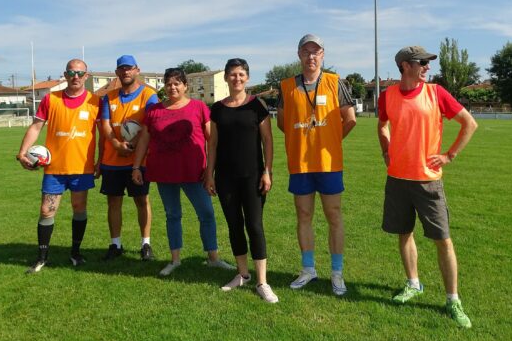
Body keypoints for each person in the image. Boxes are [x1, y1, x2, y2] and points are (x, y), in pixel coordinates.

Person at [377, 45, 478, 328]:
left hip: (428, 182)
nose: (427, 67)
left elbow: (469, 124)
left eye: (427, 63)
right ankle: (413, 283)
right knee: (404, 233)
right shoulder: (387, 96)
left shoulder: (436, 93)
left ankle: (452, 300)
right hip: (397, 179)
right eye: (422, 62)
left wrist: (449, 155)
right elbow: (382, 125)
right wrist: (386, 150)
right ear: (405, 66)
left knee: (443, 240)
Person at [132, 67, 234, 276]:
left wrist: (211, 172)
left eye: (177, 83)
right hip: (164, 173)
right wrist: (136, 166)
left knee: (206, 213)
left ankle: (213, 258)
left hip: (194, 172)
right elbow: (143, 139)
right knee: (172, 215)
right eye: (168, 83)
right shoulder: (154, 111)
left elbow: (211, 140)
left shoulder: (198, 107)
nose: (172, 87)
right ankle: (175, 259)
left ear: (185, 86)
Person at [277, 34, 356, 296]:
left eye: (316, 51)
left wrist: (330, 139)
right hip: (300, 163)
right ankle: (308, 269)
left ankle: (337, 273)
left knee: (334, 216)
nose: (311, 56)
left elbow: (350, 118)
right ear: (299, 54)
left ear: (323, 54)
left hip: (328, 163)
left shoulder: (336, 83)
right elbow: (281, 122)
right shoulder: (286, 85)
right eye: (306, 51)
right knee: (304, 216)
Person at [16, 59, 101, 273]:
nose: (75, 77)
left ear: (86, 76)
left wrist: (102, 160)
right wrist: (22, 152)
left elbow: (105, 136)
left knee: (79, 209)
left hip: (82, 168)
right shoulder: (51, 99)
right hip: (54, 169)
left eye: (80, 73)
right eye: (71, 72)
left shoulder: (95, 101)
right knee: (47, 211)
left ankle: (75, 253)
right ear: (65, 74)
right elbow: (36, 127)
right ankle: (42, 257)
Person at [205, 58, 278, 303]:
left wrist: (267, 171)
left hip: (253, 176)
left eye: (241, 74)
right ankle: (242, 274)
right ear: (226, 78)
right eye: (232, 74)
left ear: (247, 78)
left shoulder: (257, 106)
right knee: (234, 225)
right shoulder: (217, 108)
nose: (237, 78)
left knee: (254, 226)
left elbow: (267, 141)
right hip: (225, 177)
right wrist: (209, 174)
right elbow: (212, 143)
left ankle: (262, 281)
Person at [100, 55, 158, 261]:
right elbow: (105, 125)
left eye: (129, 68)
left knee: (142, 201)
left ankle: (146, 244)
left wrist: (133, 146)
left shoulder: (149, 95)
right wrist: (116, 144)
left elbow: (149, 125)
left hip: (138, 161)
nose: (126, 72)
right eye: (122, 69)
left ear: (137, 70)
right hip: (112, 160)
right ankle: (115, 244)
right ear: (117, 72)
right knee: (113, 202)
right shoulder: (108, 97)